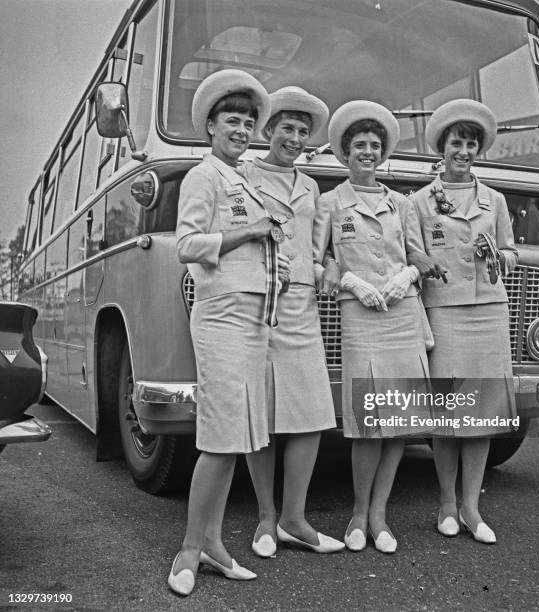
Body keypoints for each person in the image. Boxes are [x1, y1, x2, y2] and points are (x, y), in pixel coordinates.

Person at [169, 69, 288, 595]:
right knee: (220, 439)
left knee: (237, 437)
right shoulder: (205, 176)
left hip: (254, 317)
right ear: (211, 128)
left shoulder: (243, 181)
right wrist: (251, 232)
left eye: (247, 121)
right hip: (221, 317)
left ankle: (213, 545)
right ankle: (189, 550)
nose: (242, 128)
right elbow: (188, 245)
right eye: (231, 120)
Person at [314, 100, 433, 554]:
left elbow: (418, 256)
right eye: (359, 145)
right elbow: (319, 257)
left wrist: (407, 277)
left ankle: (380, 514)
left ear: (383, 153)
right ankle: (358, 514)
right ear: (345, 153)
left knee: (400, 421)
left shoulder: (402, 203)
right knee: (368, 421)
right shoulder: (330, 202)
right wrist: (349, 280)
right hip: (361, 313)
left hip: (402, 314)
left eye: (374, 145)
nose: (367, 151)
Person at [408, 98, 518, 544]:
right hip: (446, 312)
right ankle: (447, 504)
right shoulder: (418, 202)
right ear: (443, 146)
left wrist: (500, 257)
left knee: (483, 414)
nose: (465, 150)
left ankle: (472, 506)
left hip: (489, 311)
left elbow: (512, 250)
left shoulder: (495, 199)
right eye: (458, 142)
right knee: (449, 415)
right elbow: (414, 255)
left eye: (472, 143)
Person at [243, 86, 344, 556]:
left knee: (309, 415)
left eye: (304, 132)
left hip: (301, 307)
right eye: (287, 128)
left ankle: (294, 518)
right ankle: (265, 518)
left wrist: (330, 271)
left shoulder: (311, 187)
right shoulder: (242, 175)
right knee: (260, 413)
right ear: (268, 130)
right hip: (257, 306)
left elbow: (320, 250)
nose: (296, 138)